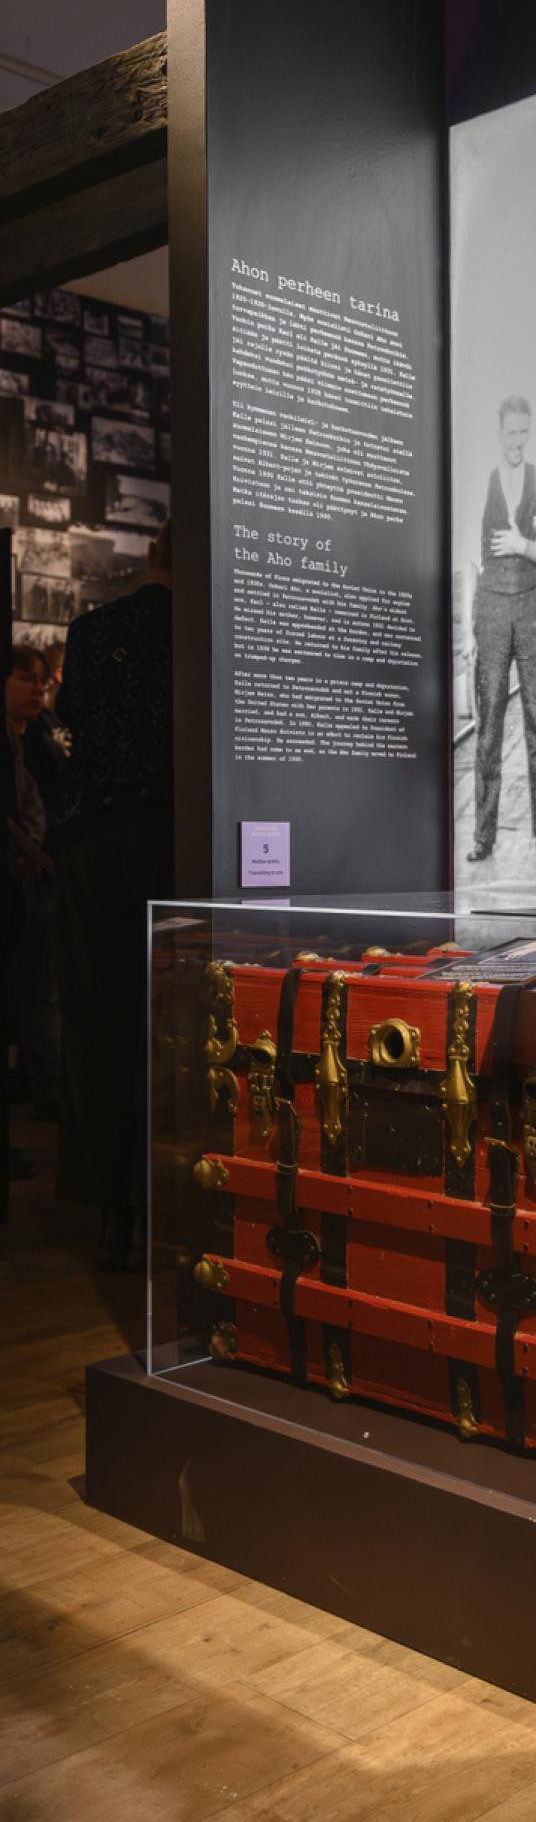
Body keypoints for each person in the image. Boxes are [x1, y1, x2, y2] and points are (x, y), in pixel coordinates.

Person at [50, 522, 175, 1268]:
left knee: (98, 1020)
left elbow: (75, 726)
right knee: (171, 1023)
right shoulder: (203, 632)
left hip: (92, 837)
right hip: (169, 835)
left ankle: (112, 1210)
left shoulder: (93, 631)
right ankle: (161, 1191)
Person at [463, 395, 536, 863]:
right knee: (488, 726)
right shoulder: (479, 483)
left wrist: (524, 545)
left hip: (532, 604)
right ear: (498, 432)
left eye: (524, 432)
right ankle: (483, 835)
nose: (517, 441)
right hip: (490, 607)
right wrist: (469, 631)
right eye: (510, 432)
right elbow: (469, 564)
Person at [6, 645, 60, 1127]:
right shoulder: (23, 742)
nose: (38, 688)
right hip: (26, 876)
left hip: (39, 875)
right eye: (26, 678)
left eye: (41, 680)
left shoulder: (41, 737)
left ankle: (36, 1076)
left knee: (37, 984)